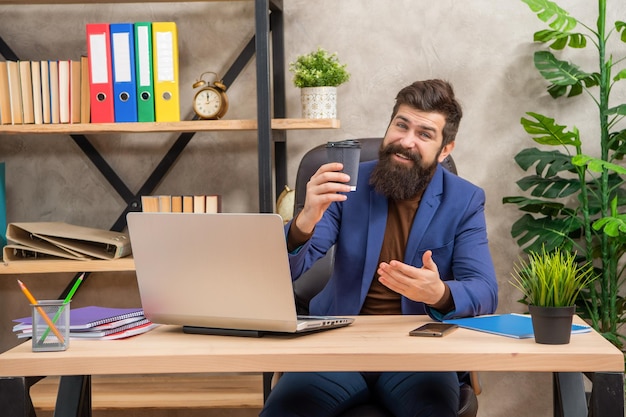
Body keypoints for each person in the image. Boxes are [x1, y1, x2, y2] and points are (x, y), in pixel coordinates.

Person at [261, 79, 498, 417]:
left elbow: (485, 291)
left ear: (445, 149)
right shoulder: (348, 184)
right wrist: (304, 221)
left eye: (425, 134)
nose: (406, 141)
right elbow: (284, 273)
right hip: (338, 347)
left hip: (418, 353)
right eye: (401, 125)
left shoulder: (465, 200)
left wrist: (440, 293)